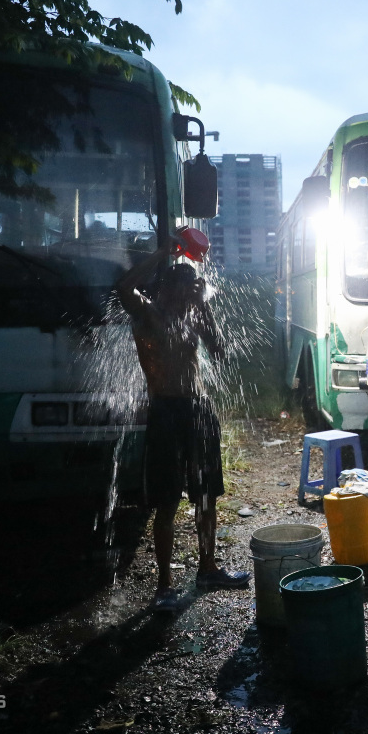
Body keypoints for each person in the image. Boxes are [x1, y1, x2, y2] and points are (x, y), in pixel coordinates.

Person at [115, 236, 250, 613]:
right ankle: (164, 585)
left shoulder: (193, 315)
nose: (186, 298)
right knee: (167, 501)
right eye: (182, 291)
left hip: (199, 409)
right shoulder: (147, 314)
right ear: (166, 290)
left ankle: (208, 568)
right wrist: (162, 253)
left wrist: (203, 307)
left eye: (191, 292)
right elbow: (124, 287)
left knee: (207, 495)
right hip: (166, 412)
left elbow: (220, 352)